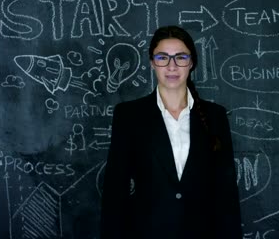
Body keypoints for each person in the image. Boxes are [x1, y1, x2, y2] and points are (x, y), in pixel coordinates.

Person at [100, 25, 242, 238]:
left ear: (191, 62)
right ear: (152, 63)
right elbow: (114, 190)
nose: (172, 66)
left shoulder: (215, 116)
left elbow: (226, 191)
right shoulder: (129, 115)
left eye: (181, 57)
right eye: (162, 58)